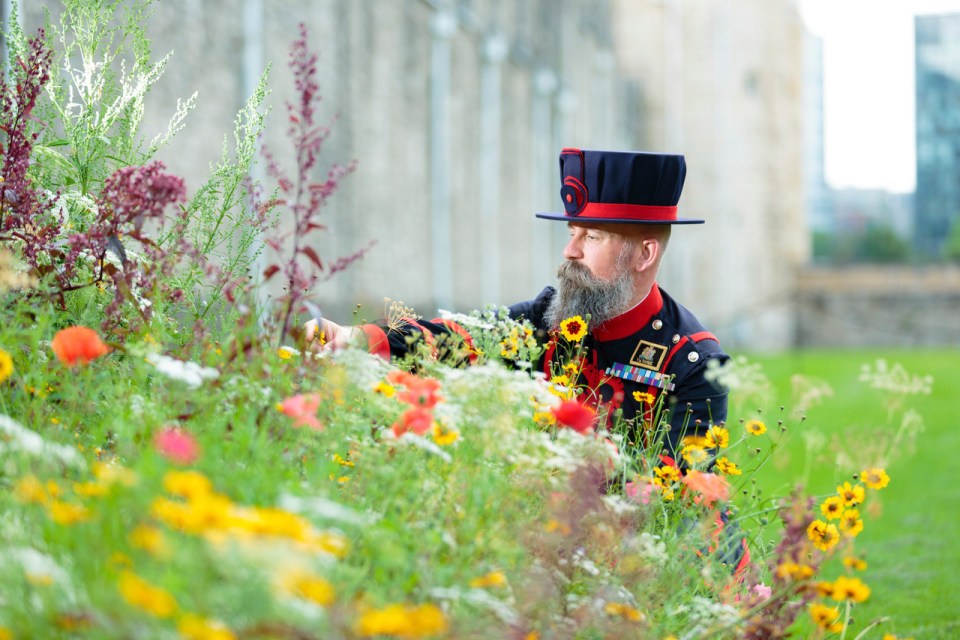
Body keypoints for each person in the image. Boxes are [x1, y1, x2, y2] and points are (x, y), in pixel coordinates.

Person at [306, 147, 729, 453]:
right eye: (571, 233)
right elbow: (459, 336)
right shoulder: (547, 319)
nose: (571, 251)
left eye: (592, 237)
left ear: (645, 254)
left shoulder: (692, 364)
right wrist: (352, 337)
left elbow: (676, 500)